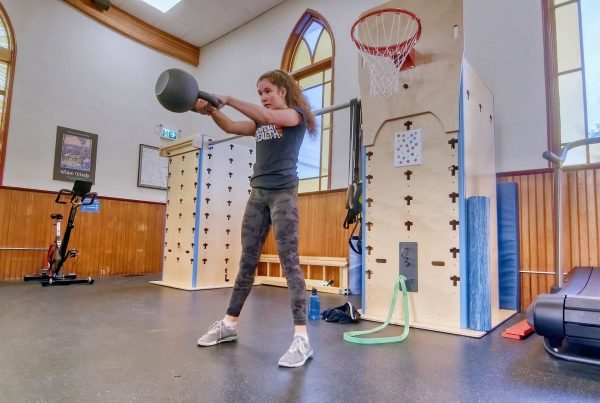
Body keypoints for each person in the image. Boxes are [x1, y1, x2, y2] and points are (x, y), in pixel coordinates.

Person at [193, 69, 317, 368]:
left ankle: (302, 339)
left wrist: (230, 98)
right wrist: (212, 110)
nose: (263, 97)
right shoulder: (261, 122)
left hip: (283, 194)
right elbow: (233, 126)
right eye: (260, 92)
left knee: (289, 261)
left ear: (282, 91)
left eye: (268, 91)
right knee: (247, 260)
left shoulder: (295, 116)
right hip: (258, 195)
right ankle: (229, 324)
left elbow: (272, 117)